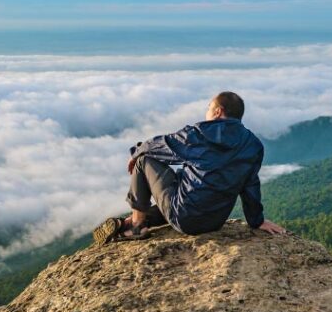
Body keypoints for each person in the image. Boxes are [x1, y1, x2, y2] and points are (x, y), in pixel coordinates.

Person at [93, 91, 288, 244]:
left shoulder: (200, 134)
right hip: (214, 221)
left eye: (209, 107)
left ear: (218, 111)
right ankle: (137, 220)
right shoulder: (253, 145)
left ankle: (135, 225)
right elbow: (250, 185)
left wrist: (137, 152)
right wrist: (257, 221)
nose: (207, 111)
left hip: (185, 217)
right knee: (180, 181)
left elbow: (162, 145)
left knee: (145, 161)